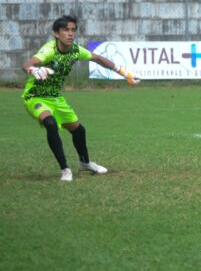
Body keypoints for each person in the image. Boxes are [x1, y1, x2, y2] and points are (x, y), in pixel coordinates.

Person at [21, 15, 139, 181]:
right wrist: (34, 70)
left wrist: (124, 73)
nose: (70, 34)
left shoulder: (75, 50)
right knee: (50, 123)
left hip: (55, 97)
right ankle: (65, 170)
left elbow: (97, 58)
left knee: (78, 130)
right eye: (65, 30)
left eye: (73, 30)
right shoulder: (49, 50)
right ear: (56, 33)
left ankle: (85, 163)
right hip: (35, 96)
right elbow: (26, 64)